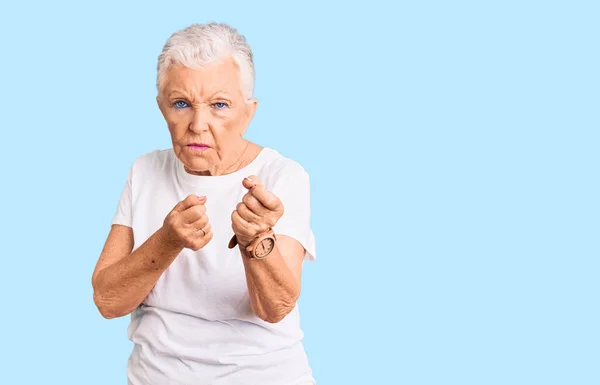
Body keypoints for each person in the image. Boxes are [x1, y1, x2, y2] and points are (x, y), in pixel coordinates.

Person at [91, 22, 317, 385]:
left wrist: (255, 240)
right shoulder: (145, 170)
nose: (198, 124)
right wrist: (167, 241)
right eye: (181, 103)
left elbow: (276, 308)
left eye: (219, 105)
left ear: (249, 112)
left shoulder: (282, 177)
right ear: (161, 107)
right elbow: (107, 300)